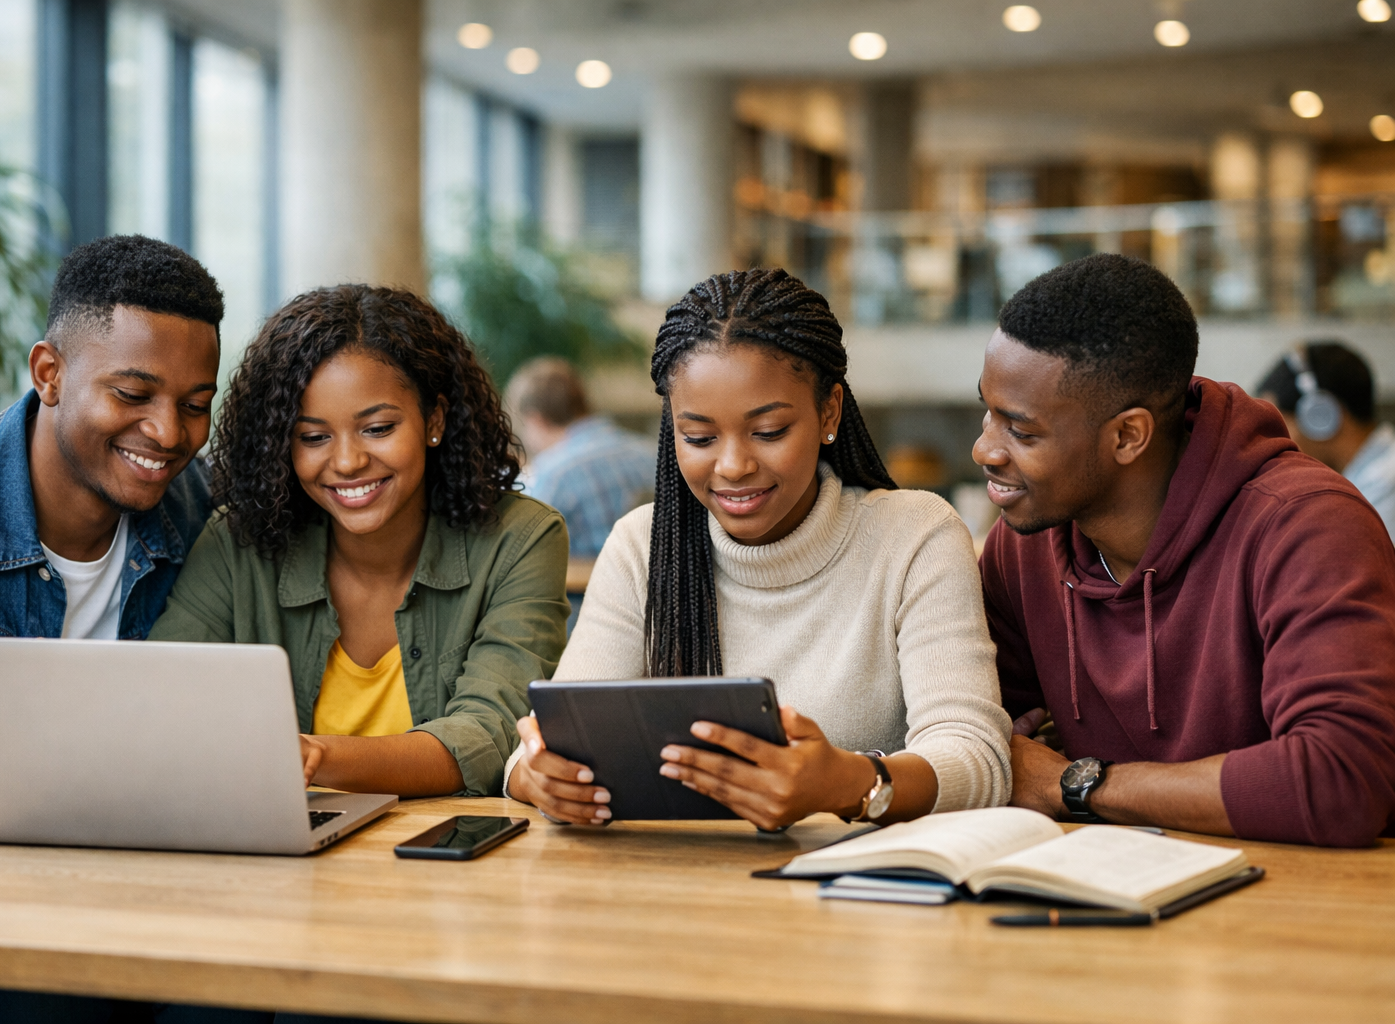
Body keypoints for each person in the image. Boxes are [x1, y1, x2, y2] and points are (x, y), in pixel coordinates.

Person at [0, 233, 223, 1022]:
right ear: (48, 374)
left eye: (197, 405)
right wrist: (52, 764)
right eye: (133, 394)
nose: (169, 434)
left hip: (146, 894)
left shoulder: (206, 521)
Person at [506, 268, 1012, 831]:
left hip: (860, 899)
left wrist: (848, 784)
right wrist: (535, 775)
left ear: (829, 412)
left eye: (768, 431)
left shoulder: (915, 536)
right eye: (697, 438)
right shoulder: (640, 547)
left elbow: (977, 757)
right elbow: (544, 741)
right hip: (673, 889)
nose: (731, 466)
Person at [976, 253, 1395, 848]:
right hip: (1106, 894)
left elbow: (1340, 781)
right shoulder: (1026, 544)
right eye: (987, 413)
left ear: (1128, 435)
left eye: (1021, 430)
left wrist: (1075, 784)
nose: (984, 449)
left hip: (1301, 909)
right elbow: (970, 734)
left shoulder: (1307, 527)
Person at [148, 285, 569, 798]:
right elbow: (163, 705)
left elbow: (489, 736)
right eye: (313, 437)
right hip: (276, 856)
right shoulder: (239, 543)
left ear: (433, 420)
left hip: (449, 863)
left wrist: (312, 756)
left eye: (377, 428)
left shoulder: (520, 540)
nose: (347, 462)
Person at [506, 356, 656, 559]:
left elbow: (521, 555)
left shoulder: (552, 475)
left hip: (585, 589)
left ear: (536, 419)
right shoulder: (652, 454)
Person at [1256, 340, 1395, 538]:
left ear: (1320, 416)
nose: (1273, 443)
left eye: (1279, 426)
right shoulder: (1365, 479)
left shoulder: (1386, 486)